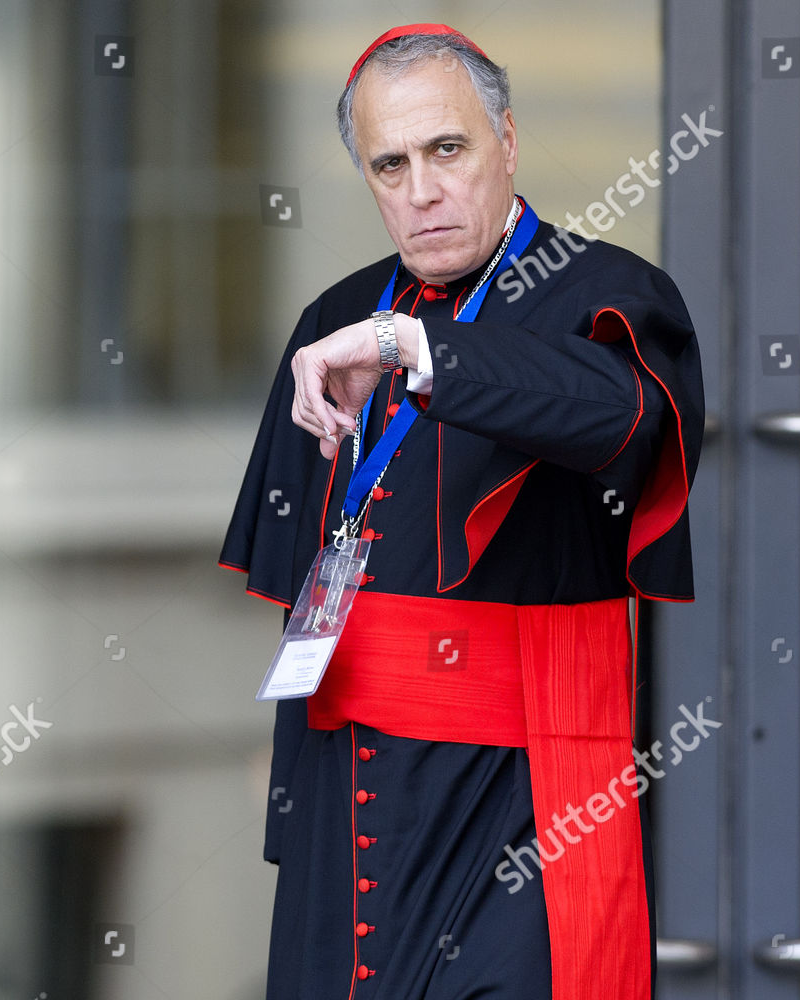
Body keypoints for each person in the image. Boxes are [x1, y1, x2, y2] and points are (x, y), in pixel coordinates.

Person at [220, 23, 703, 1000]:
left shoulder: (604, 291)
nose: (422, 189)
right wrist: (289, 817)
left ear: (508, 143)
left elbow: (623, 413)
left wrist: (416, 347)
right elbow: (310, 590)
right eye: (388, 164)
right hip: (345, 799)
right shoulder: (330, 320)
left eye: (448, 149)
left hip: (518, 811)